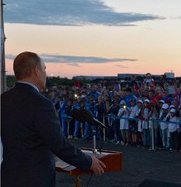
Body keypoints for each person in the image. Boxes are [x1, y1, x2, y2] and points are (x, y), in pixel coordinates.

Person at [1, 52, 106, 187]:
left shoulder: (3, 100)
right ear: (36, 71)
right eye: (44, 69)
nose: (45, 74)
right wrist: (88, 161)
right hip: (35, 179)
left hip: (8, 177)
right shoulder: (41, 103)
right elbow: (58, 144)